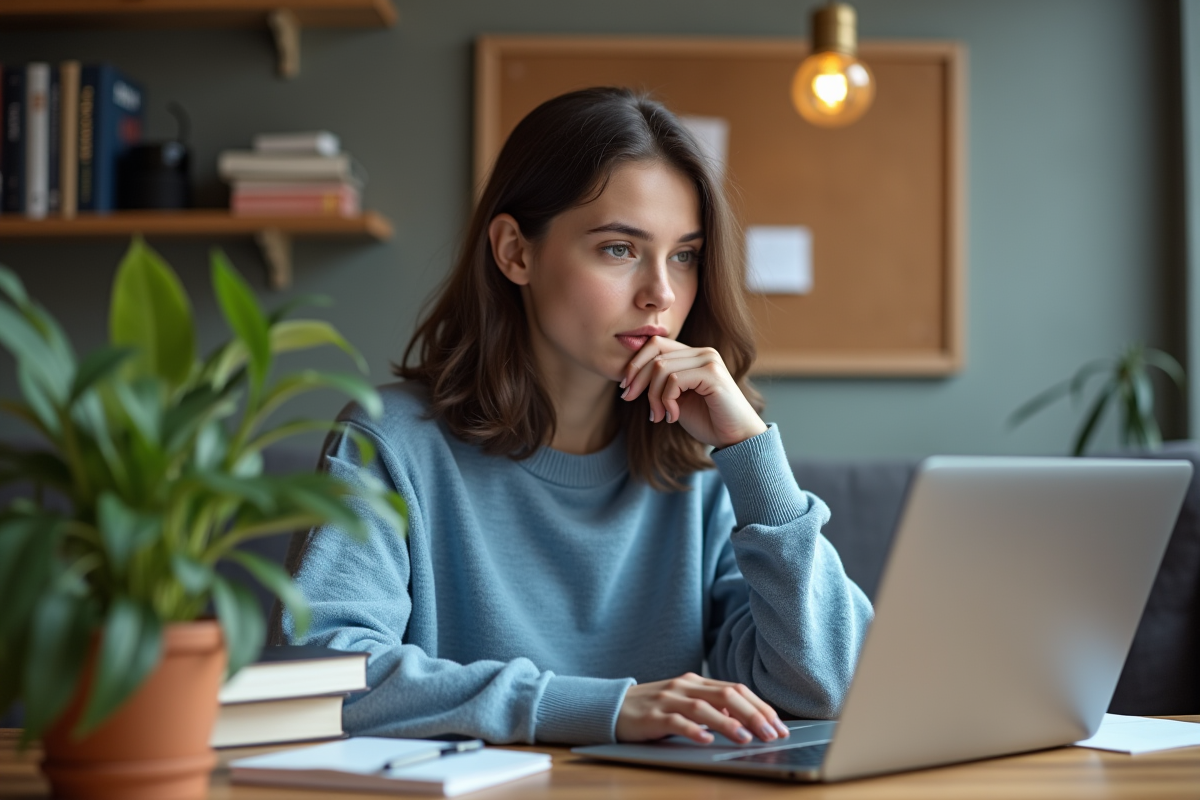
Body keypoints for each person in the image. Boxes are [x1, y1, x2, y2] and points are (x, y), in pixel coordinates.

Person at [275, 87, 873, 747]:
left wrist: (751, 453)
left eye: (685, 255)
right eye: (619, 249)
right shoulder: (389, 444)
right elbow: (325, 675)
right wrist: (602, 709)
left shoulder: (702, 465)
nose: (662, 294)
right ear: (515, 252)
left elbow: (830, 686)